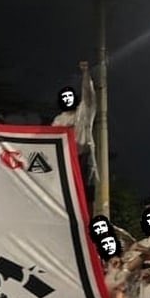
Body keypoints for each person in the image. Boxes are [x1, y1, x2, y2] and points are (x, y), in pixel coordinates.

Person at [52, 61, 97, 199]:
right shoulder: (58, 120)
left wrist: (86, 74)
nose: (67, 99)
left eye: (69, 96)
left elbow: (88, 94)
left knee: (83, 195)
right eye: (64, 97)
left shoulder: (83, 112)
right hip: (65, 159)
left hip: (82, 157)